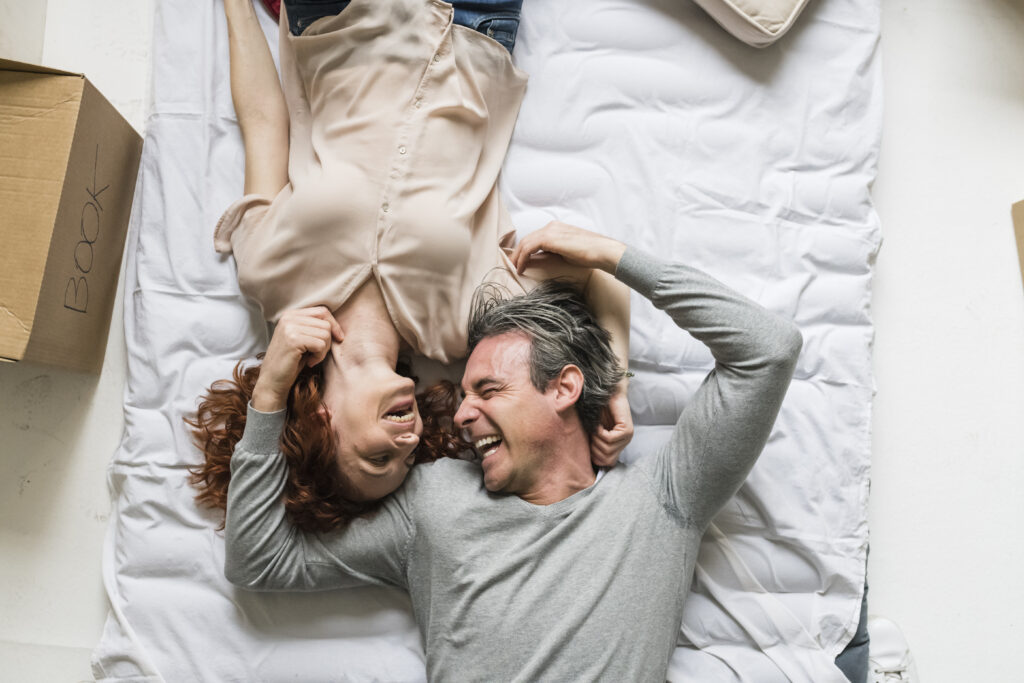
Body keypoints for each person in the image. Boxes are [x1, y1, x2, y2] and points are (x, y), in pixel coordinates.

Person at [224, 223, 804, 681]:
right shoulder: (432, 503)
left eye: (489, 391)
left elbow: (768, 349)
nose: (460, 412)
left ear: (564, 388)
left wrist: (611, 255)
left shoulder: (664, 500)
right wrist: (271, 392)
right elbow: (259, 561)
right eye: (465, 393)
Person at [188, 0, 633, 528]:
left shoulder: (270, 277)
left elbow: (263, 122)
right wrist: (615, 386)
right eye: (407, 458)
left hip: (339, 18)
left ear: (320, 426)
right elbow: (601, 273)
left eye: (379, 456)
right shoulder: (462, 326)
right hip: (473, 26)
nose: (409, 441)